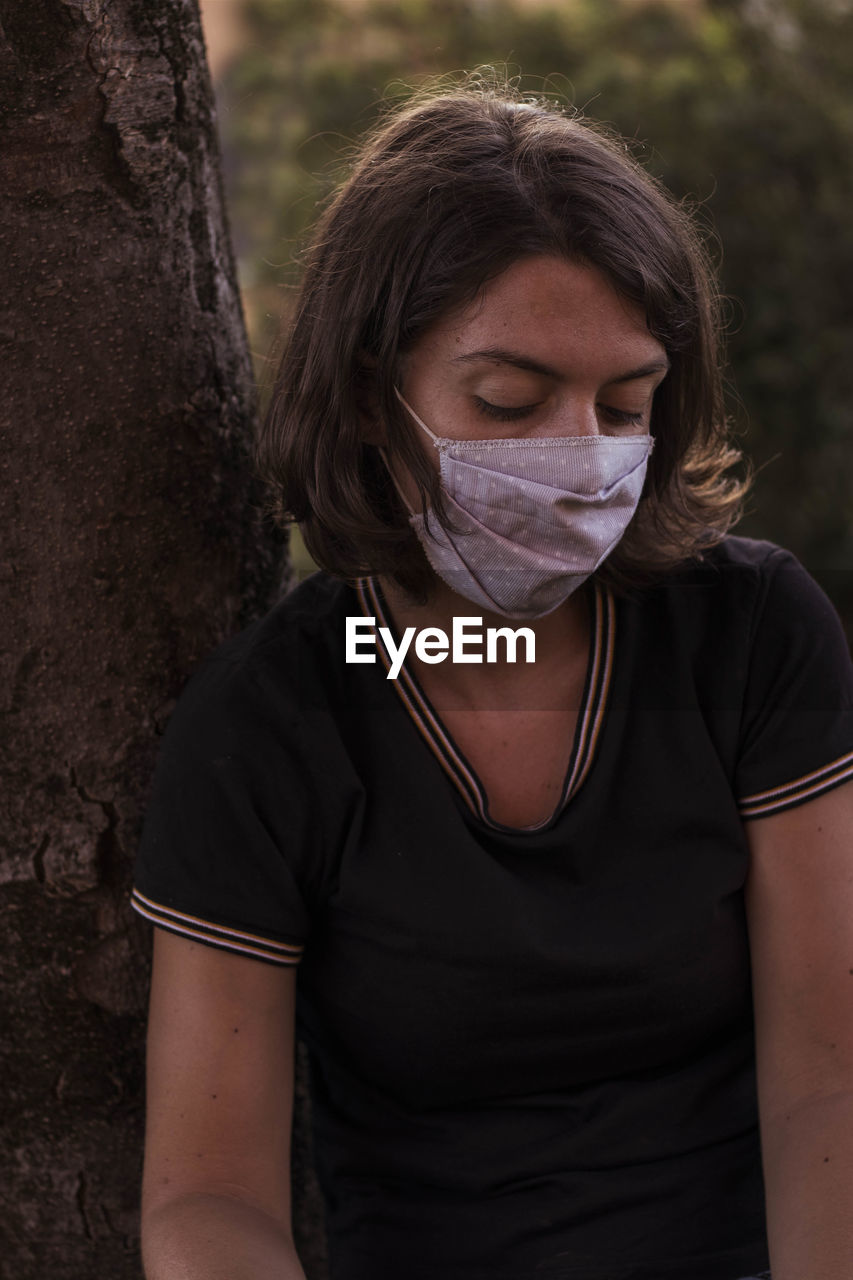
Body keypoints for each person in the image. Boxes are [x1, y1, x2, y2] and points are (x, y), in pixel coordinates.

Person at [131, 79, 853, 1280]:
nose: (579, 458)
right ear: (372, 395)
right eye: (510, 402)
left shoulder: (749, 635)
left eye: (623, 406)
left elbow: (829, 1085)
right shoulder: (269, 727)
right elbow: (208, 1197)